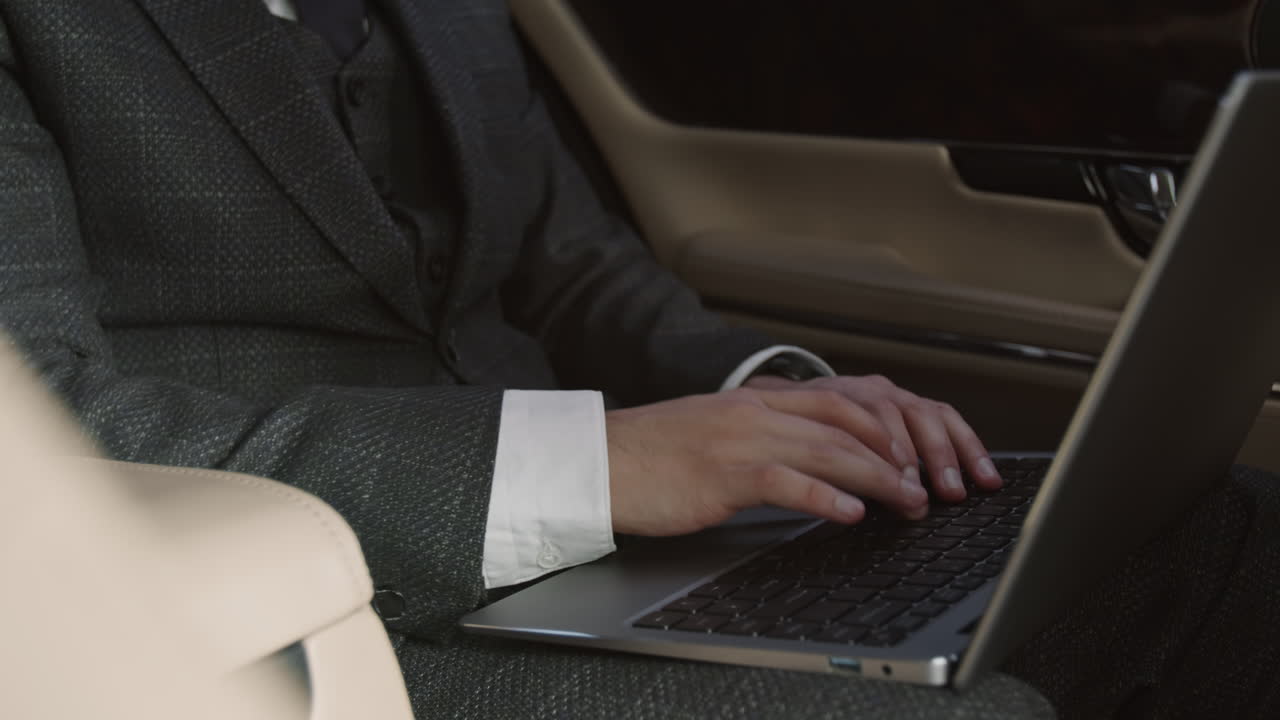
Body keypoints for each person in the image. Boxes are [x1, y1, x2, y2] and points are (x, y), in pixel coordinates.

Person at [0, 1, 1276, 717]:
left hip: (604, 548)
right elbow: (47, 433)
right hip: (299, 602)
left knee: (1227, 538)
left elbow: (564, 259)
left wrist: (771, 399)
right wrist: (583, 466)